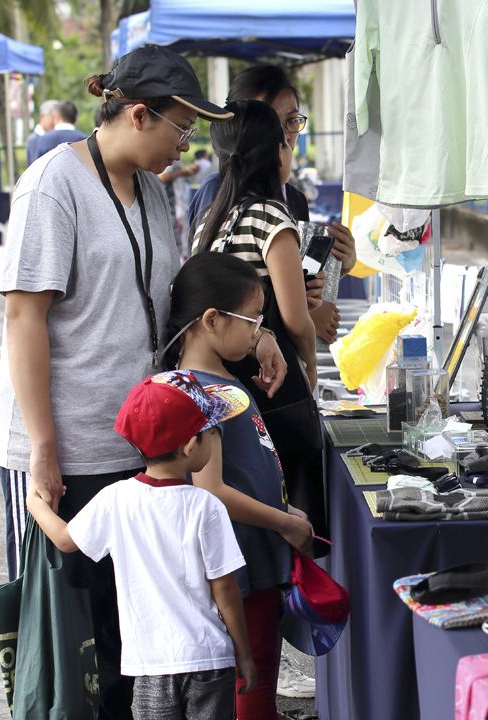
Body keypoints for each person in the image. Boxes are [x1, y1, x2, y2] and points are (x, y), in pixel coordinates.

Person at [0, 44, 285, 717]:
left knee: (135, 645)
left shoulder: (157, 195)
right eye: (181, 128)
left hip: (140, 447)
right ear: (138, 113)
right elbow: (24, 317)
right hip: (63, 449)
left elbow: (181, 297)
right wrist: (43, 446)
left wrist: (257, 329)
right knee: (71, 648)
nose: (186, 147)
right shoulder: (52, 186)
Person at [26, 371, 257, 718]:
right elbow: (224, 589)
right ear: (191, 446)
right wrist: (244, 653)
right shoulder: (205, 506)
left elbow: (64, 539)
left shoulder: (116, 499)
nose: (215, 437)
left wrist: (35, 504)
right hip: (209, 660)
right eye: (212, 431)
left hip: (149, 665)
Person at [162, 252, 314, 719]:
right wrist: (284, 521)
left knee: (256, 670)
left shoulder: (217, 380)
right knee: (251, 672)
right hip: (237, 563)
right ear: (211, 320)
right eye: (252, 319)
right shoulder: (198, 393)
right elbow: (212, 491)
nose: (257, 330)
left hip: (252, 555)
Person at [187, 64, 355, 346]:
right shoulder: (216, 194)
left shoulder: (294, 199)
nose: (283, 136)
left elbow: (298, 279)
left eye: (291, 121)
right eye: (267, 122)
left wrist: (340, 265)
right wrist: (301, 318)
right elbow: (215, 300)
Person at [25, 99, 58, 165]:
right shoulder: (34, 139)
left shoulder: (54, 136)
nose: (55, 121)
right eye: (53, 117)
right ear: (42, 116)